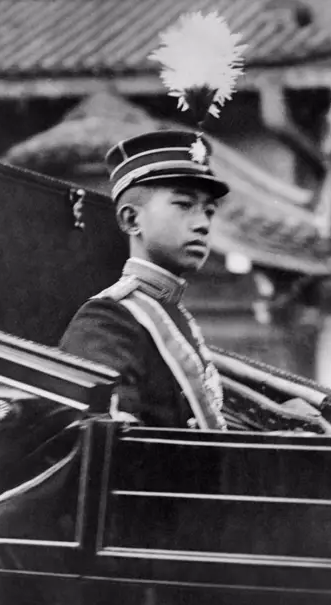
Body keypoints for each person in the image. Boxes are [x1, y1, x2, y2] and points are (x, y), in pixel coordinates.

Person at [60, 130, 228, 430]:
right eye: (184, 205)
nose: (202, 224)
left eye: (209, 211)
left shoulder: (173, 314)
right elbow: (110, 449)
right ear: (131, 220)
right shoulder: (109, 320)